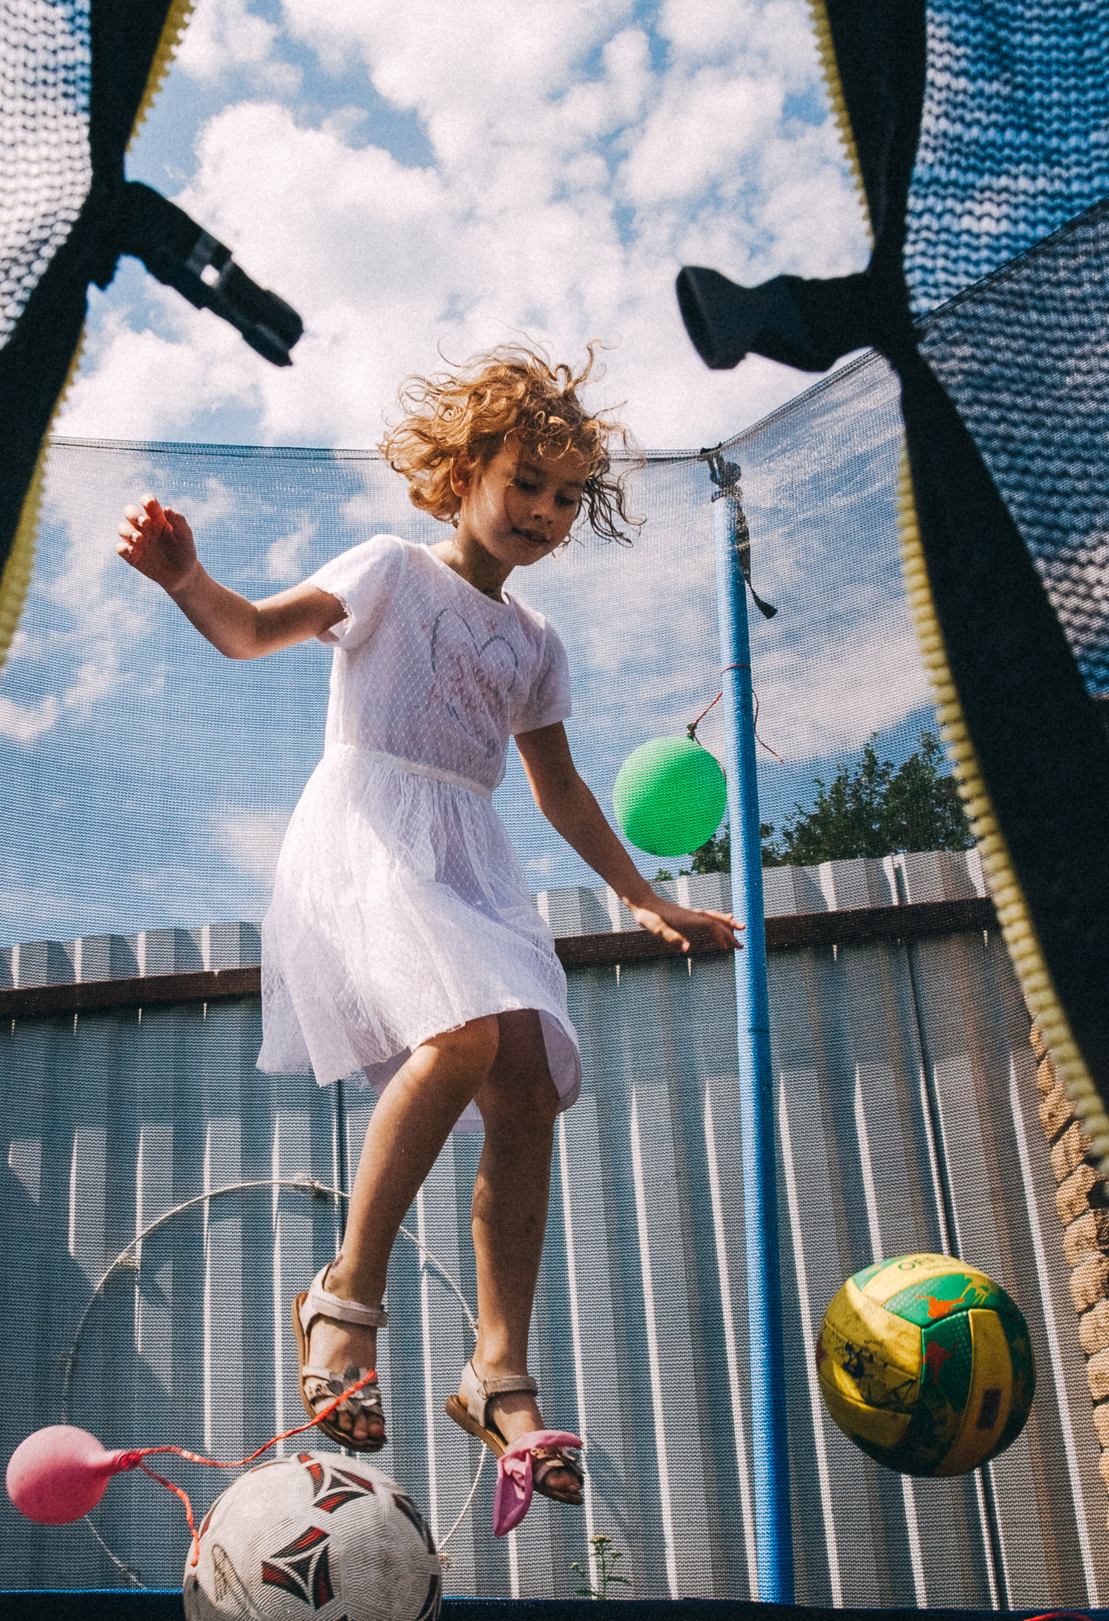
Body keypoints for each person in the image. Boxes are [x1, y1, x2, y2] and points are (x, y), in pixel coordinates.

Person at [115, 345, 738, 1517]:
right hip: (369, 834)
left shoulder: (537, 645)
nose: (545, 511)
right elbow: (251, 631)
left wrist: (642, 895)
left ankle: (498, 1373)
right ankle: (344, 1298)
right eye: (526, 483)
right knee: (459, 1037)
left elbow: (559, 791)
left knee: (526, 1085)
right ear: (462, 475)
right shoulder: (389, 571)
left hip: (472, 860)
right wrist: (187, 579)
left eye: (567, 497)